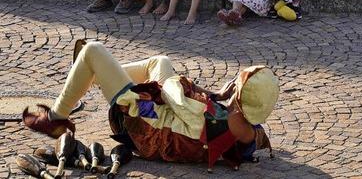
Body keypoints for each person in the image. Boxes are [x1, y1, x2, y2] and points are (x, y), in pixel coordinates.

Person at [22, 41, 278, 172]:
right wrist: (218, 96)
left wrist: (211, 93)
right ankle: (92, 75)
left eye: (238, 80)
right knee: (160, 60)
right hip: (171, 112)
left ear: (240, 95)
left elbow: (174, 95)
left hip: (147, 123)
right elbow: (249, 137)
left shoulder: (219, 117)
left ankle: (56, 117)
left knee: (92, 49)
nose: (234, 79)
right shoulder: (247, 127)